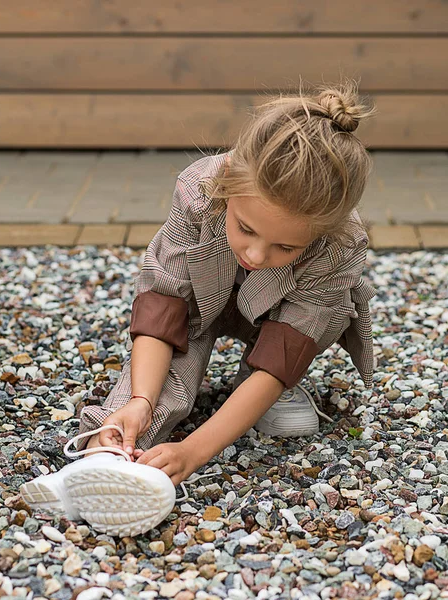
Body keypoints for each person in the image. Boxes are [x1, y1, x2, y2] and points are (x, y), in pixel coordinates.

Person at [21, 79, 377, 537]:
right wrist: (140, 400)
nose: (255, 253)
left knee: (294, 344)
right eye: (245, 228)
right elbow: (165, 303)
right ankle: (108, 453)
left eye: (285, 246)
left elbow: (281, 353)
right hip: (199, 303)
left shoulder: (339, 247)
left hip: (279, 323)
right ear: (227, 190)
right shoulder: (200, 189)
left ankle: (270, 396)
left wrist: (194, 451)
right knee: (168, 367)